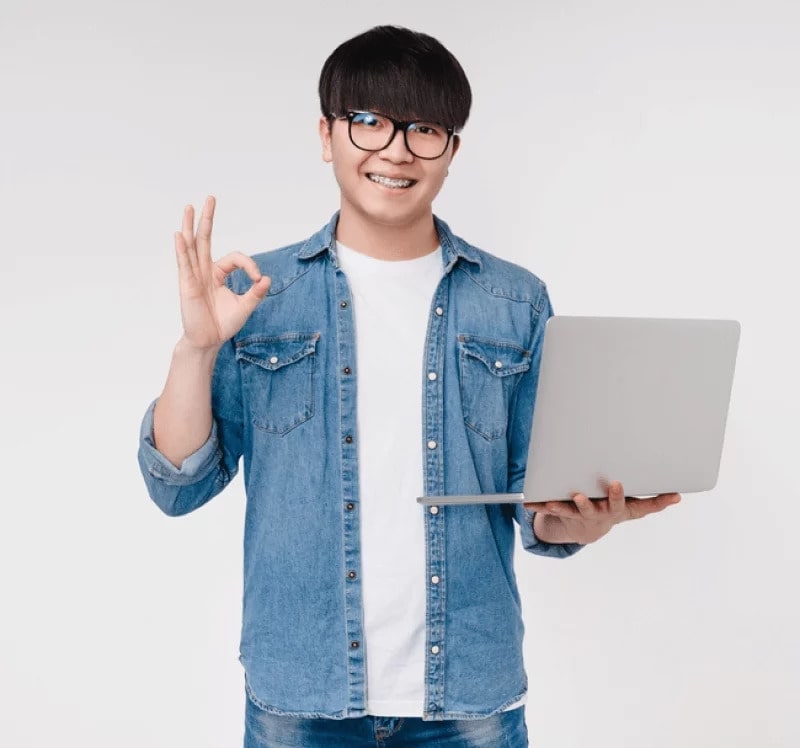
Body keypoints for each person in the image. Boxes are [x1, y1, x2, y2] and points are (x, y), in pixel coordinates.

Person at [137, 24, 680, 748]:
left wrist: (584, 519)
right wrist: (196, 347)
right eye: (369, 122)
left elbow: (537, 509)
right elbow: (178, 487)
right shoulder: (257, 293)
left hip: (468, 701)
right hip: (300, 695)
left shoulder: (515, 303)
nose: (395, 149)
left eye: (424, 128)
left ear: (452, 150)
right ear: (326, 135)